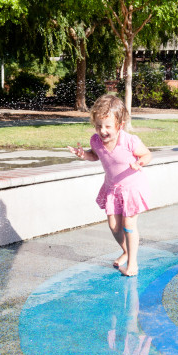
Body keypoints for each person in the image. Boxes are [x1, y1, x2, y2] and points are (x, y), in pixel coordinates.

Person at [68, 94, 152, 277]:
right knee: (114, 226)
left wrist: (140, 163)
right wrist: (84, 155)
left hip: (131, 189)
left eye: (107, 126)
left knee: (129, 225)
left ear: (119, 126)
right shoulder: (96, 141)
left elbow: (147, 155)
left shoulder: (130, 141)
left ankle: (133, 263)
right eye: (98, 126)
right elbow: (95, 155)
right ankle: (127, 250)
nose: (102, 130)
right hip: (112, 189)